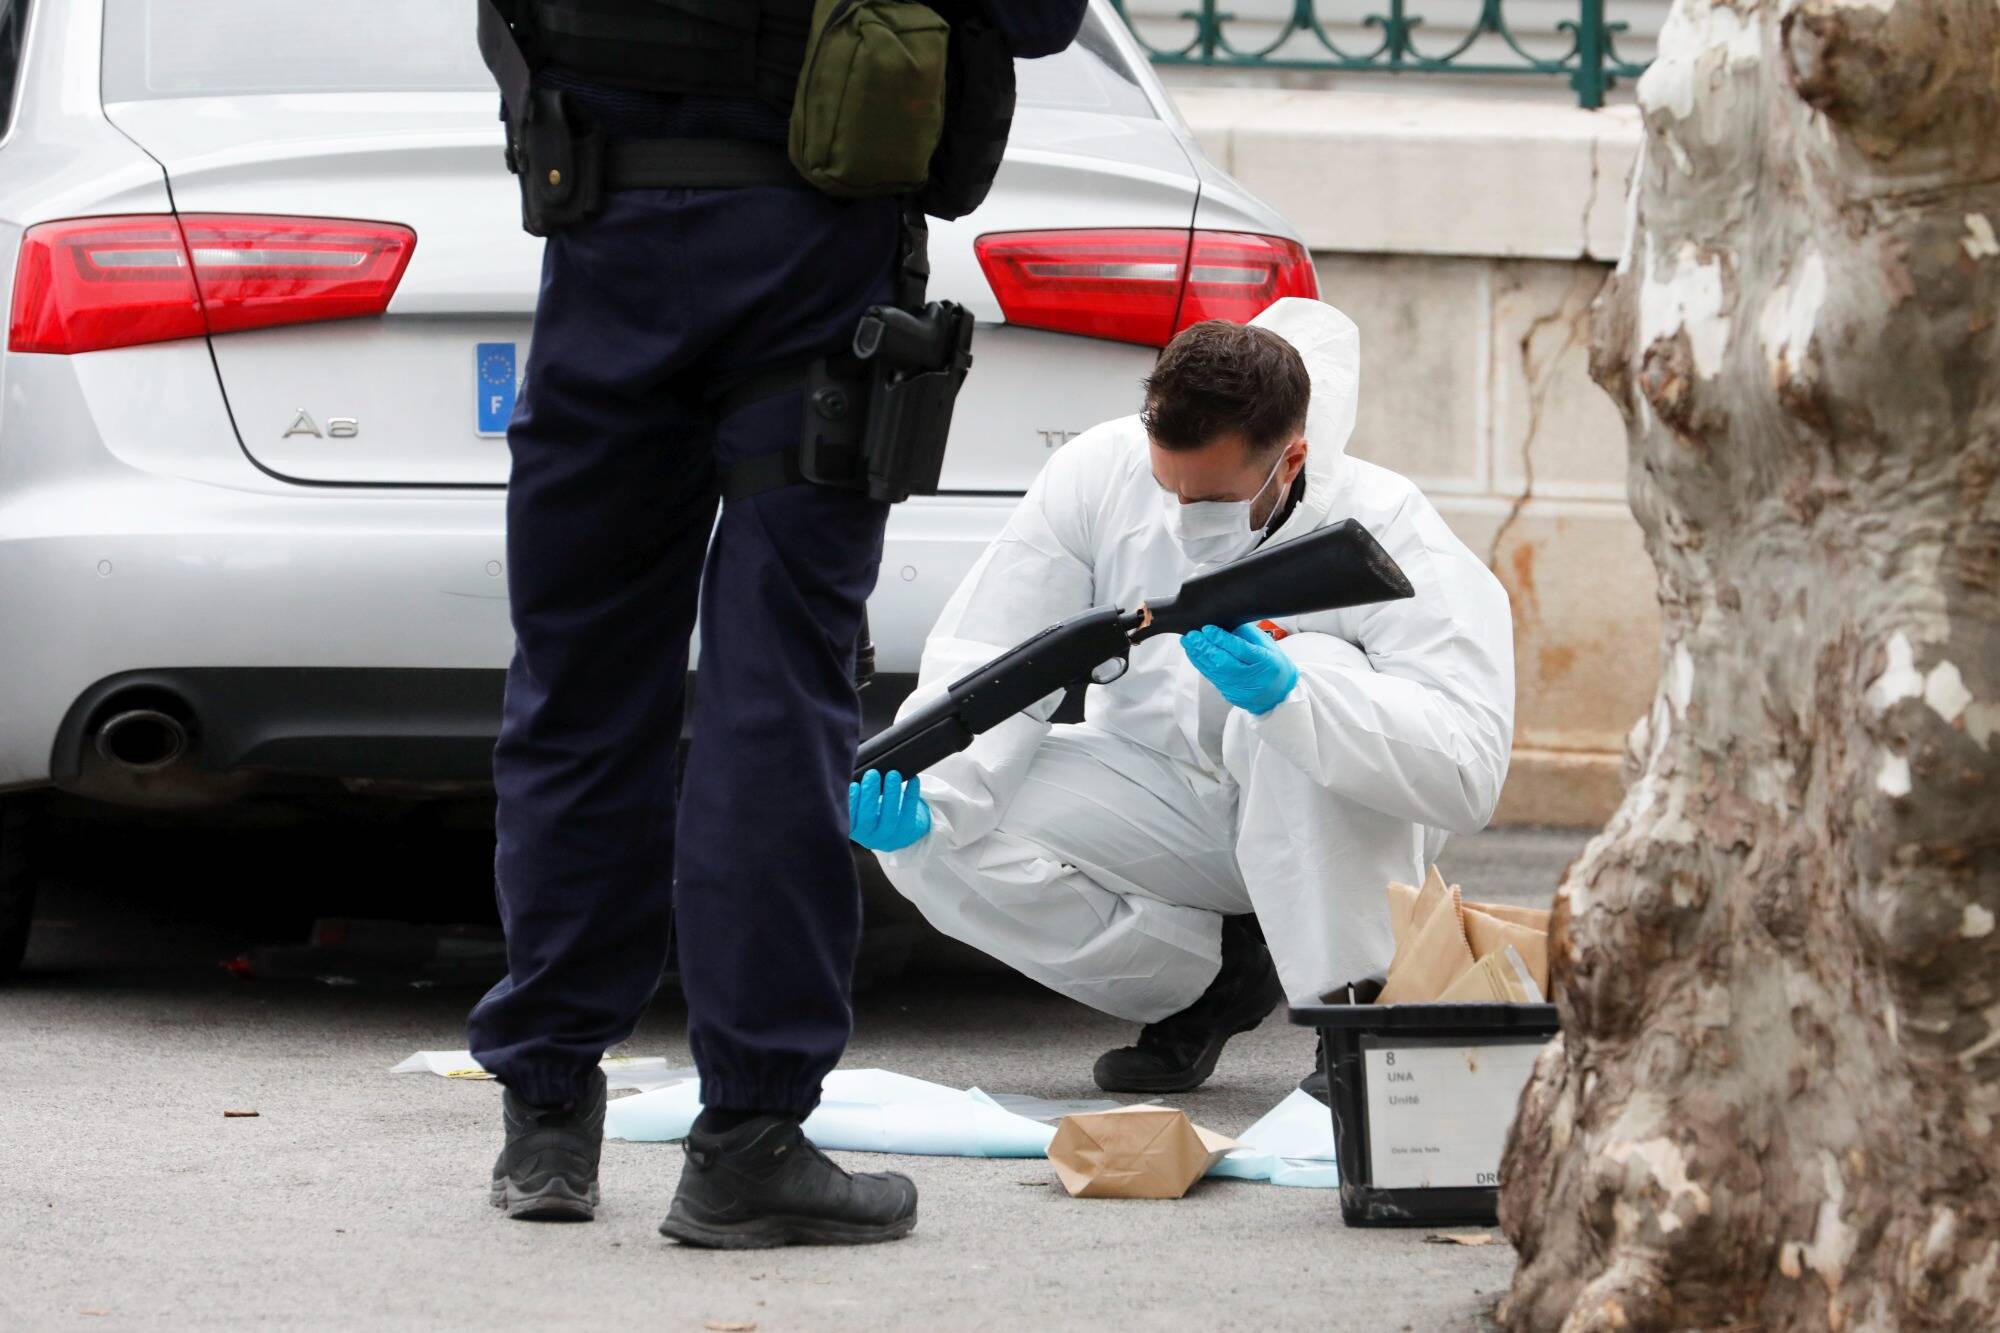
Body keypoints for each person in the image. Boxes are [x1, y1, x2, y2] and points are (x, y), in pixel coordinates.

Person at [468, 0, 1087, 1248]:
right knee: (771, 699)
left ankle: (545, 1111)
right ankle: (747, 1139)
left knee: (580, 683)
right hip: (806, 266)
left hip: (605, 241)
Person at [853, 298, 1515, 1094]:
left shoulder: (1387, 521)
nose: (1178, 515)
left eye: (1208, 498)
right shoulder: (1101, 472)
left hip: (1333, 825)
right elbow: (992, 645)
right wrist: (930, 783)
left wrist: (1295, 697)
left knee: (1311, 673)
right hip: (1164, 794)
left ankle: (1354, 1015)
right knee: (935, 837)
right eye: (1167, 485)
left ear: (1291, 459)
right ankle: (1213, 979)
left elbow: (1471, 767)